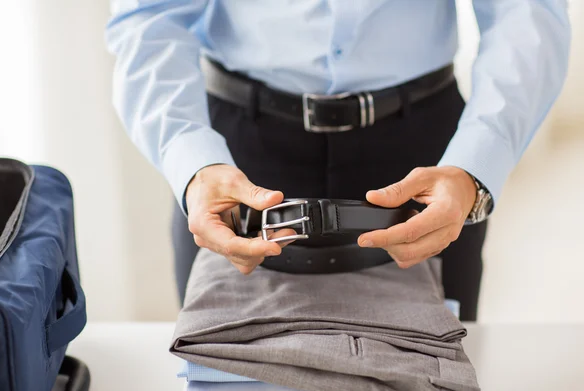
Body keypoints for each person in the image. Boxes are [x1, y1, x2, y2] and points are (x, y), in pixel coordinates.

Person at [106, 1, 570, 321]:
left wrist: (475, 165)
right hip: (232, 164)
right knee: (228, 369)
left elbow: (524, 13)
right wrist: (190, 158)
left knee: (431, 369)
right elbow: (149, 14)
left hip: (426, 161)